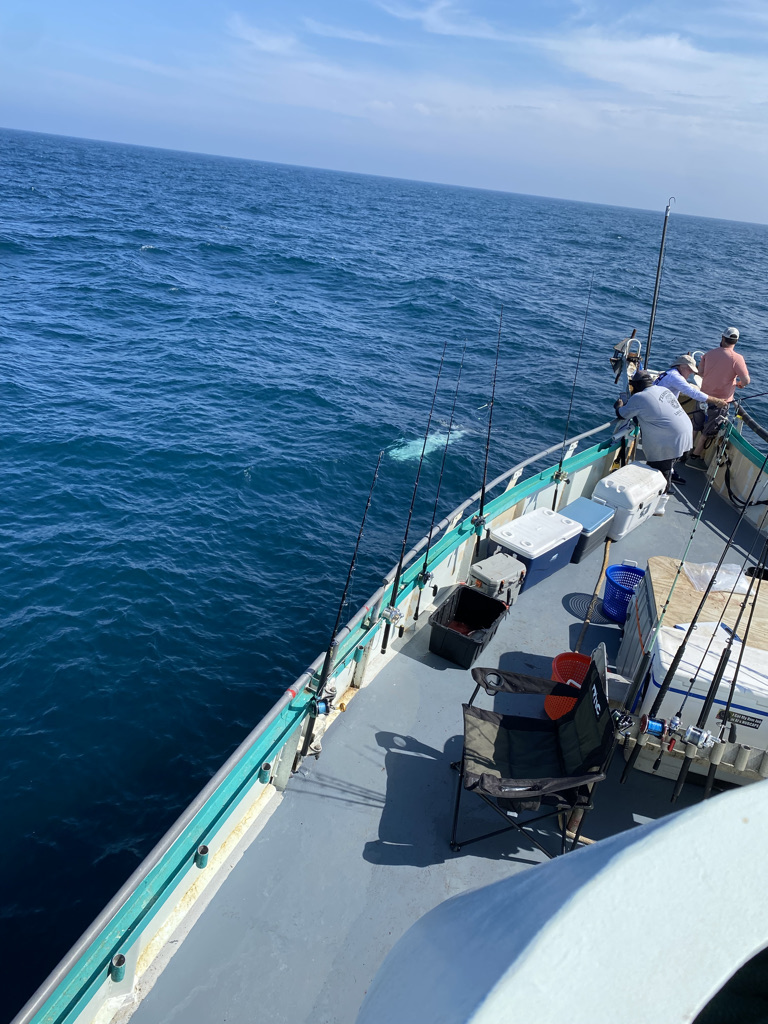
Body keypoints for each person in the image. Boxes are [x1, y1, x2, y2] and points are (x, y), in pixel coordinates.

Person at [614, 370, 693, 516]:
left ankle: (659, 506)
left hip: (670, 440)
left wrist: (619, 405)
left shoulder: (639, 397)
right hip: (686, 434)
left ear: (636, 386)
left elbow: (622, 414)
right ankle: (659, 500)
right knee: (667, 467)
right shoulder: (662, 389)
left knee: (661, 472)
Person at [688, 328, 750, 470]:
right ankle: (694, 457)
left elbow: (701, 373)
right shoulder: (737, 359)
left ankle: (684, 452)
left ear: (723, 338)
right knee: (708, 430)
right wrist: (738, 384)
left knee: (695, 426)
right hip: (721, 401)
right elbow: (746, 380)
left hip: (703, 397)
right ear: (736, 341)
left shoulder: (709, 354)